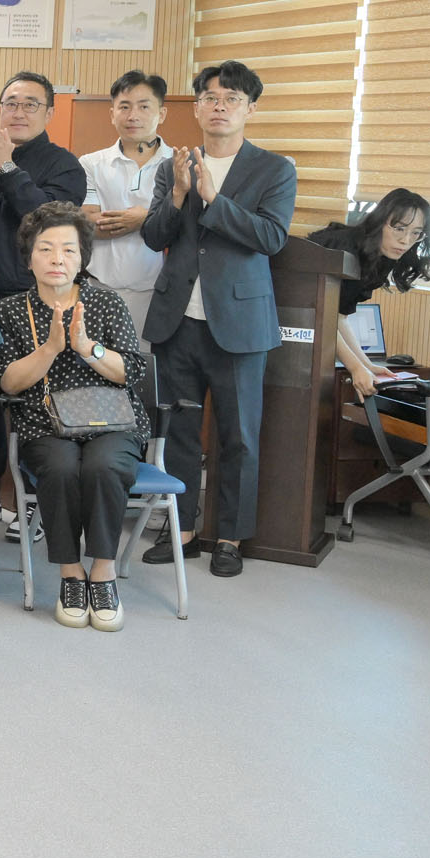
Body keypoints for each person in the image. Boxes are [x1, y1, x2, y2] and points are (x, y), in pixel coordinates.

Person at [139, 60, 296, 578]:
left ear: (251, 108)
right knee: (178, 430)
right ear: (197, 107)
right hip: (177, 320)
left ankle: (229, 537)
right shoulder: (174, 165)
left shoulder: (275, 169)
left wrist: (212, 199)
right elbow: (154, 236)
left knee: (239, 436)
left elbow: (271, 238)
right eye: (209, 97)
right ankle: (180, 531)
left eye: (231, 98)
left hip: (240, 325)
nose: (219, 106)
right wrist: (180, 195)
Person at [0, 204, 149, 632]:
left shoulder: (106, 302)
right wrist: (49, 349)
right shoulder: (10, 310)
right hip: (44, 422)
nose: (57, 259)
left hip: (112, 421)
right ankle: (70, 575)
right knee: (60, 468)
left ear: (82, 259)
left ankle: (103, 573)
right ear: (29, 259)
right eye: (45, 249)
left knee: (105, 465)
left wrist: (86, 348)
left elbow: (131, 370)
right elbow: (7, 382)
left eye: (68, 250)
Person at [0, 72, 87, 528]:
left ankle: (31, 497)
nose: (18, 112)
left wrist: (7, 168)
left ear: (50, 113)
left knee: (34, 399)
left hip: (33, 299)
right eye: (10, 103)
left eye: (30, 104)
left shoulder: (64, 165)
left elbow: (48, 224)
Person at [309, 190, 430, 397]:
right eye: (399, 228)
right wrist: (355, 367)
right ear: (380, 221)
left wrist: (366, 364)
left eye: (416, 233)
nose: (406, 240)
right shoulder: (343, 249)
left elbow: (339, 317)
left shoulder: (382, 257)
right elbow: (319, 316)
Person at [79, 70, 172, 342]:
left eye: (144, 106)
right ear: (112, 114)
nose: (133, 116)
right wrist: (152, 219)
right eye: (124, 107)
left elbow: (181, 228)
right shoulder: (91, 163)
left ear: (161, 114)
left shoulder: (179, 163)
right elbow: (88, 224)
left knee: (147, 365)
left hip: (158, 294)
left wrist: (145, 218)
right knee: (95, 362)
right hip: (99, 288)